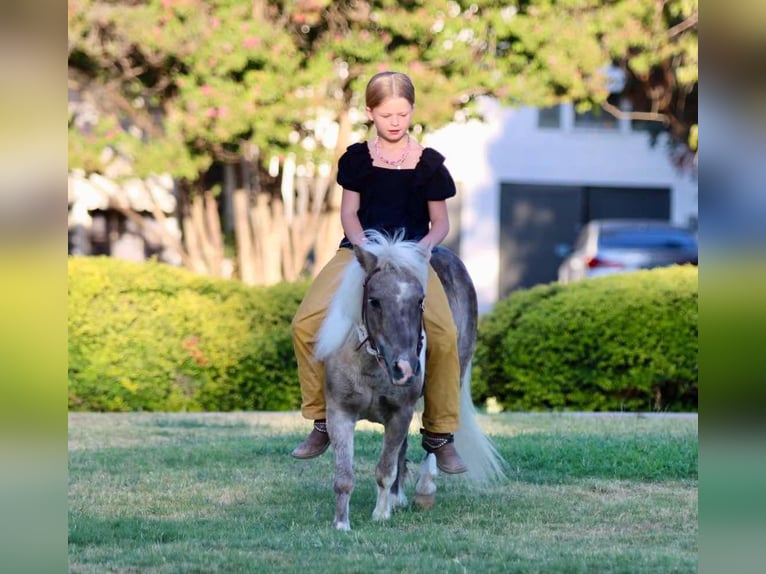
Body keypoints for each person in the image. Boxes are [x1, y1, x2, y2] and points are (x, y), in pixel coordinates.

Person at [290, 71, 466, 474]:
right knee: (304, 325)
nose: (394, 121)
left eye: (402, 113)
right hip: (360, 252)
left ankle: (440, 434)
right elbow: (349, 212)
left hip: (412, 258)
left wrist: (423, 251)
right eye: (386, 114)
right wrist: (362, 249)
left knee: (443, 334)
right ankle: (321, 419)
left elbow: (440, 223)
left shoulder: (430, 165)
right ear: (370, 112)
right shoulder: (356, 159)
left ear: (412, 112)